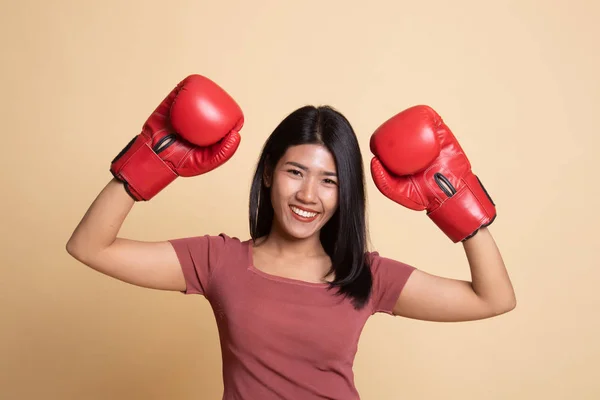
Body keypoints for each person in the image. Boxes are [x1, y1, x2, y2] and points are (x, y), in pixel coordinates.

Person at [66, 74, 516, 400]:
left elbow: (493, 298)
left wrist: (456, 201)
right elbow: (89, 246)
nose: (307, 194)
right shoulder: (218, 260)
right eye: (295, 172)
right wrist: (149, 162)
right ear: (268, 174)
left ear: (345, 194)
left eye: (329, 181)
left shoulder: (365, 275)